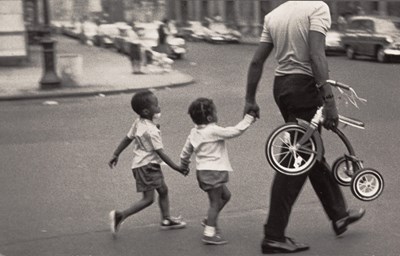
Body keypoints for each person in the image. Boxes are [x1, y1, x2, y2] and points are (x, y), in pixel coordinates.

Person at [243, 1, 365, 254]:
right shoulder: (317, 8)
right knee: (297, 160)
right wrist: (329, 101)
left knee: (310, 154)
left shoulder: (274, 15)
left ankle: (339, 214)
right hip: (304, 88)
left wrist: (250, 100)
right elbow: (316, 55)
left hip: (283, 86)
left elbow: (256, 62)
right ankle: (274, 235)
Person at [108, 90, 189, 235]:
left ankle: (166, 219)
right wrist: (177, 168)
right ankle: (120, 215)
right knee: (148, 199)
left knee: (163, 190)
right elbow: (161, 153)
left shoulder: (139, 122)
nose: (159, 108)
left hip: (144, 165)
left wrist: (116, 153)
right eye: (156, 105)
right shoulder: (151, 131)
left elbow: (128, 138)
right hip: (147, 166)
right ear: (146, 111)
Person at [180, 98, 255, 245]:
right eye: (215, 112)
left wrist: (184, 163)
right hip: (213, 172)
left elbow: (186, 150)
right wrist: (249, 118)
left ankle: (209, 220)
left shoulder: (194, 132)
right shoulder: (213, 130)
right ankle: (209, 233)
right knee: (215, 203)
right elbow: (235, 131)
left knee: (226, 196)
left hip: (203, 173)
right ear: (210, 117)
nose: (216, 114)